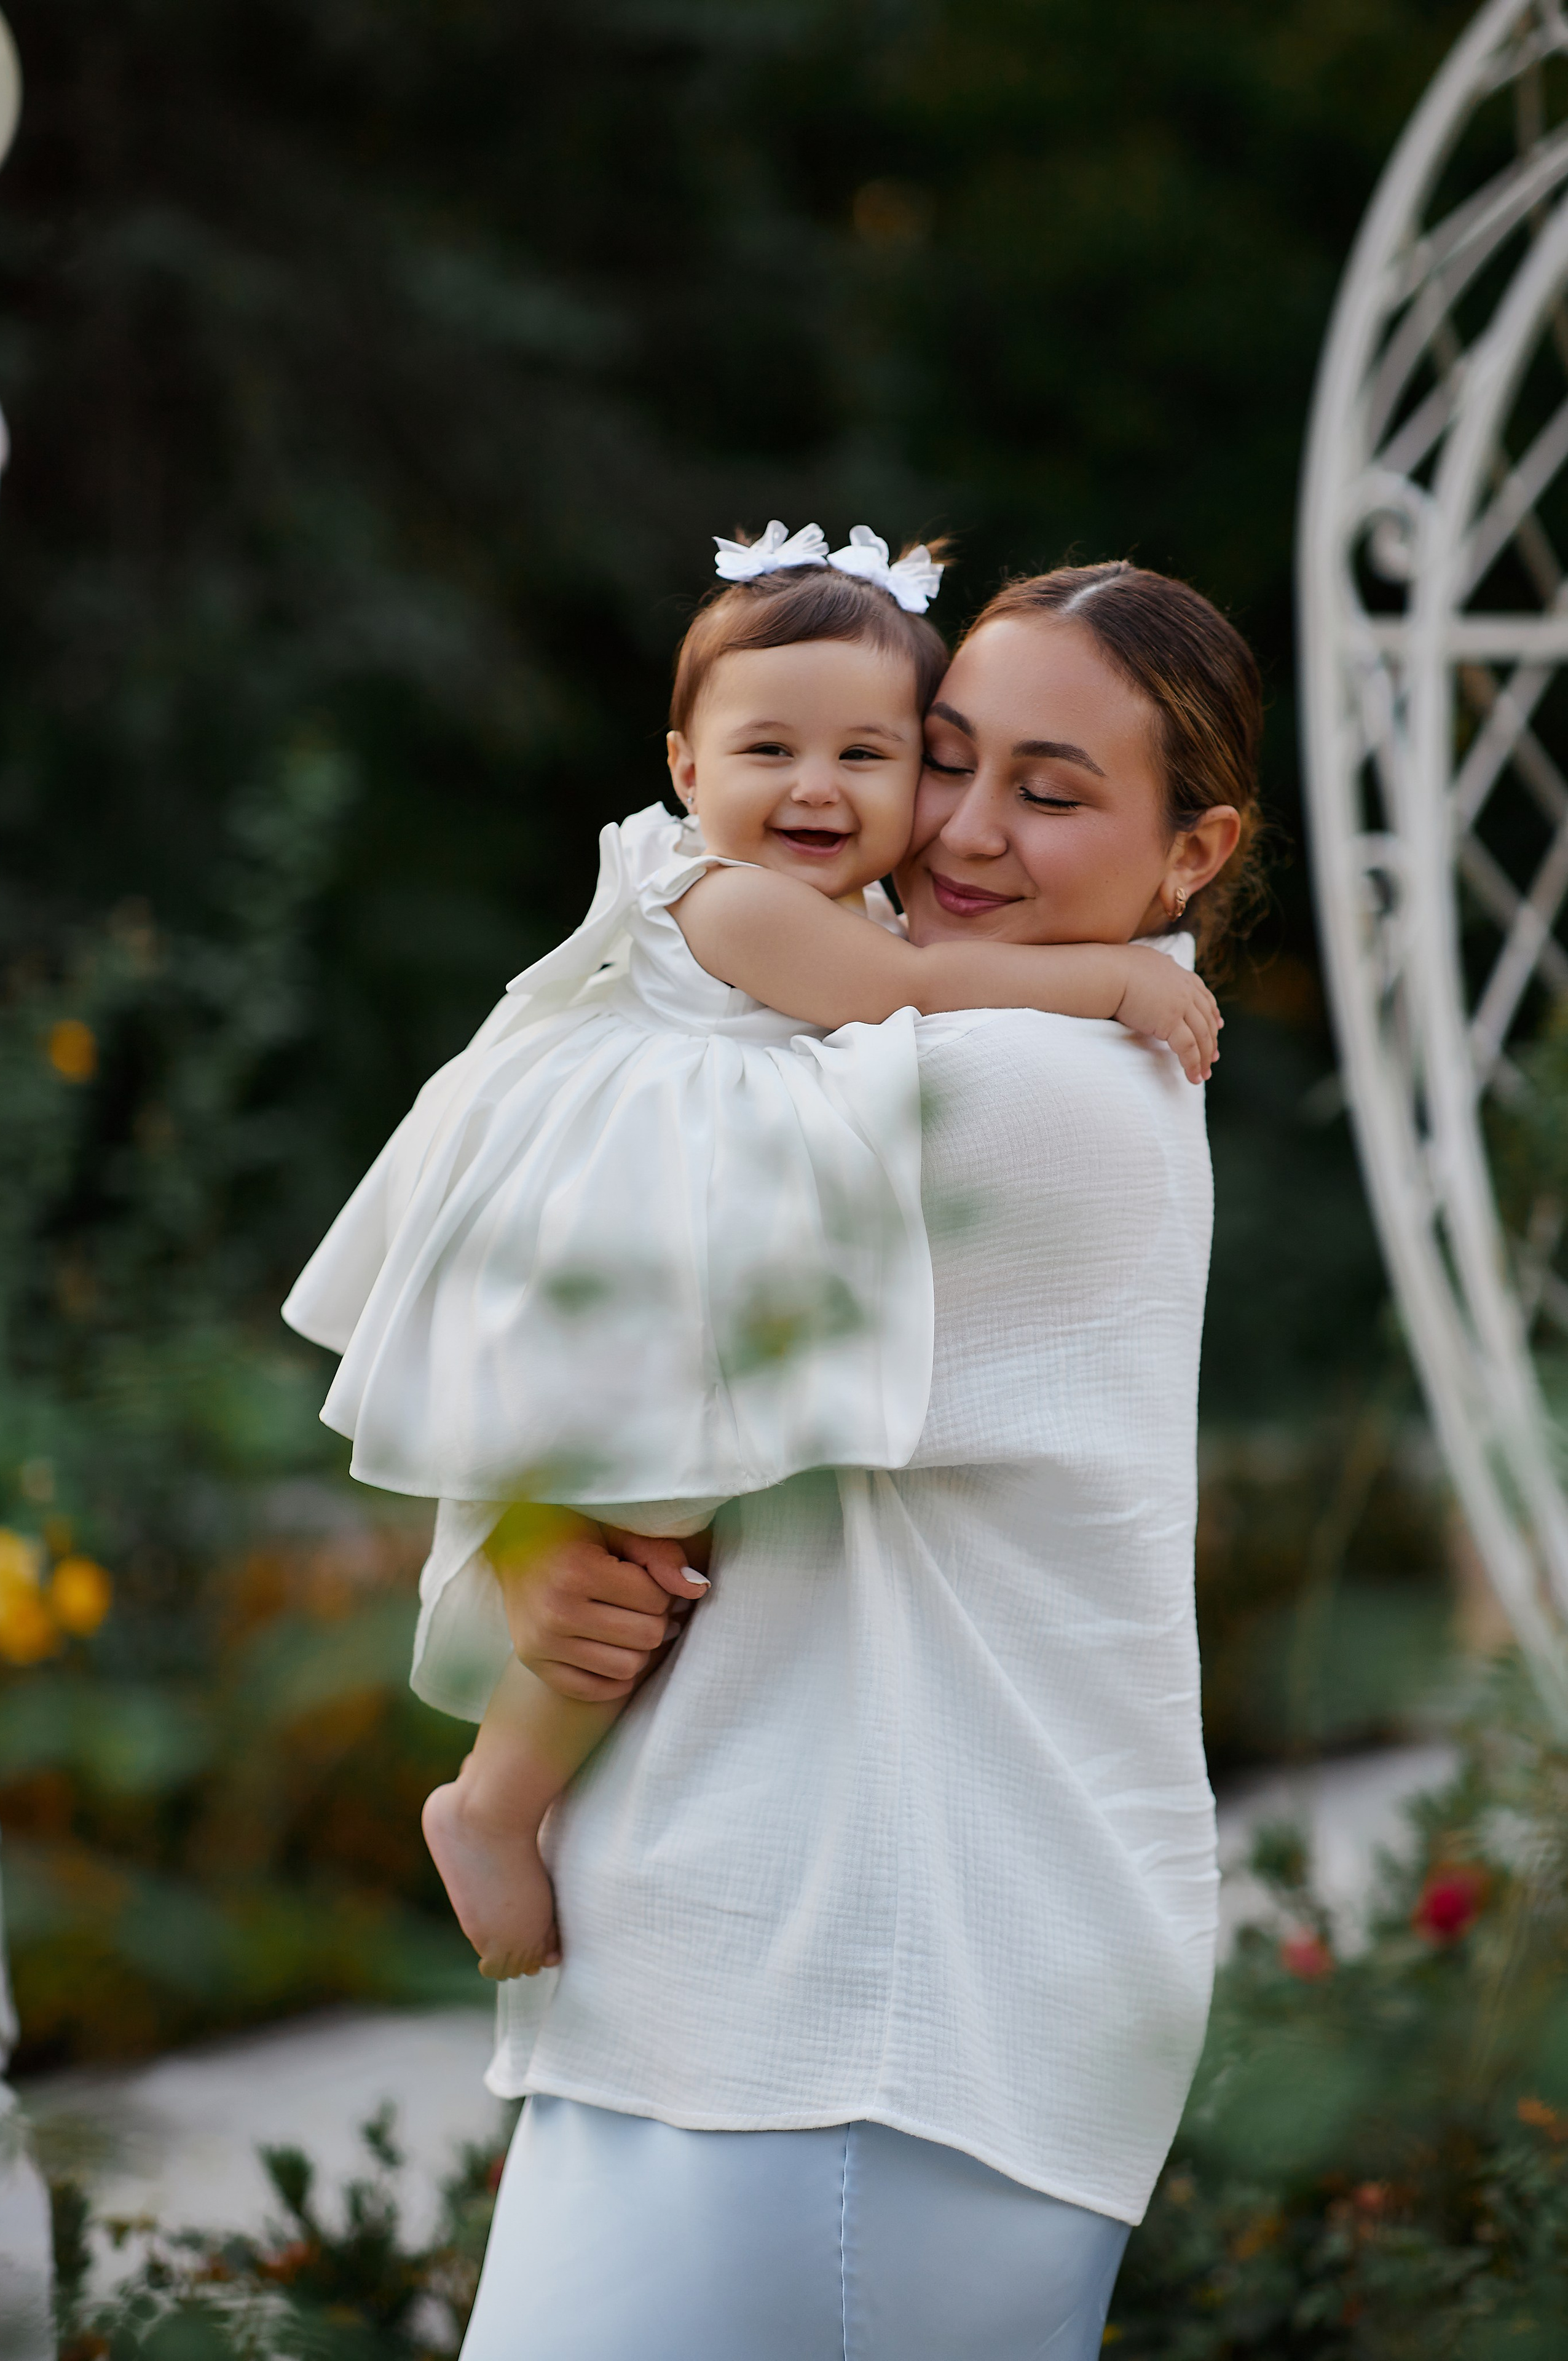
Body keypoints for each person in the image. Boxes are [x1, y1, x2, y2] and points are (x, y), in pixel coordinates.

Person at [446, 559, 1260, 2360]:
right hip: (818, 2004)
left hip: (862, 2021)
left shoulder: (1013, 1089)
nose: (960, 832)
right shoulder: (982, 1029)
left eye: (1050, 796)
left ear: (1192, 853)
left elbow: (609, 1298)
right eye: (944, 760)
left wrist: (527, 1531)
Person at [283, 526, 1220, 1980]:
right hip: (627, 1228)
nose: (822, 791)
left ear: (1192, 851)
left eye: (872, 755)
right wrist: (1112, 974)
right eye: (769, 749)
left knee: (642, 1536)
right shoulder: (735, 902)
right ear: (682, 766)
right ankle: (491, 1801)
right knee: (640, 1532)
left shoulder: (1025, 1095)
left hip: (876, 1888)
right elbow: (903, 989)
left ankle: (493, 1797)